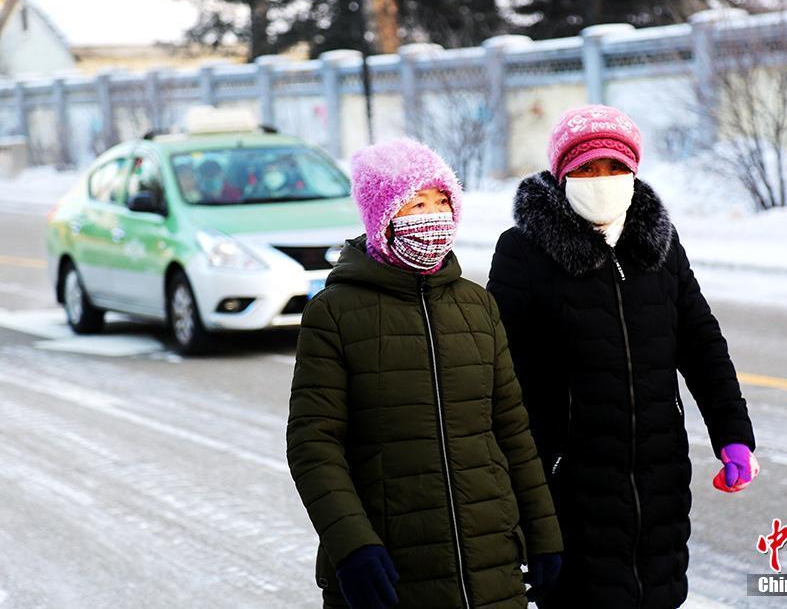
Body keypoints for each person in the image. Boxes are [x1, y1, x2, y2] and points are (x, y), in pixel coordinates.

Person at [487, 105, 760, 608]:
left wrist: (733, 435)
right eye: (586, 168)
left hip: (658, 479)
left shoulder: (658, 246)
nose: (602, 180)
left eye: (615, 167)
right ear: (561, 174)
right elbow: (497, 376)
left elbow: (701, 342)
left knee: (656, 592)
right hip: (568, 486)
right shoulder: (523, 252)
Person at [287, 138, 563, 609]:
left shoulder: (476, 305)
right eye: (416, 203)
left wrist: (544, 532)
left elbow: (512, 430)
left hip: (491, 561)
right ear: (383, 217)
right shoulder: (334, 313)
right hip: (391, 566)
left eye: (442, 201)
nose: (433, 216)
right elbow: (314, 445)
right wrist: (351, 544)